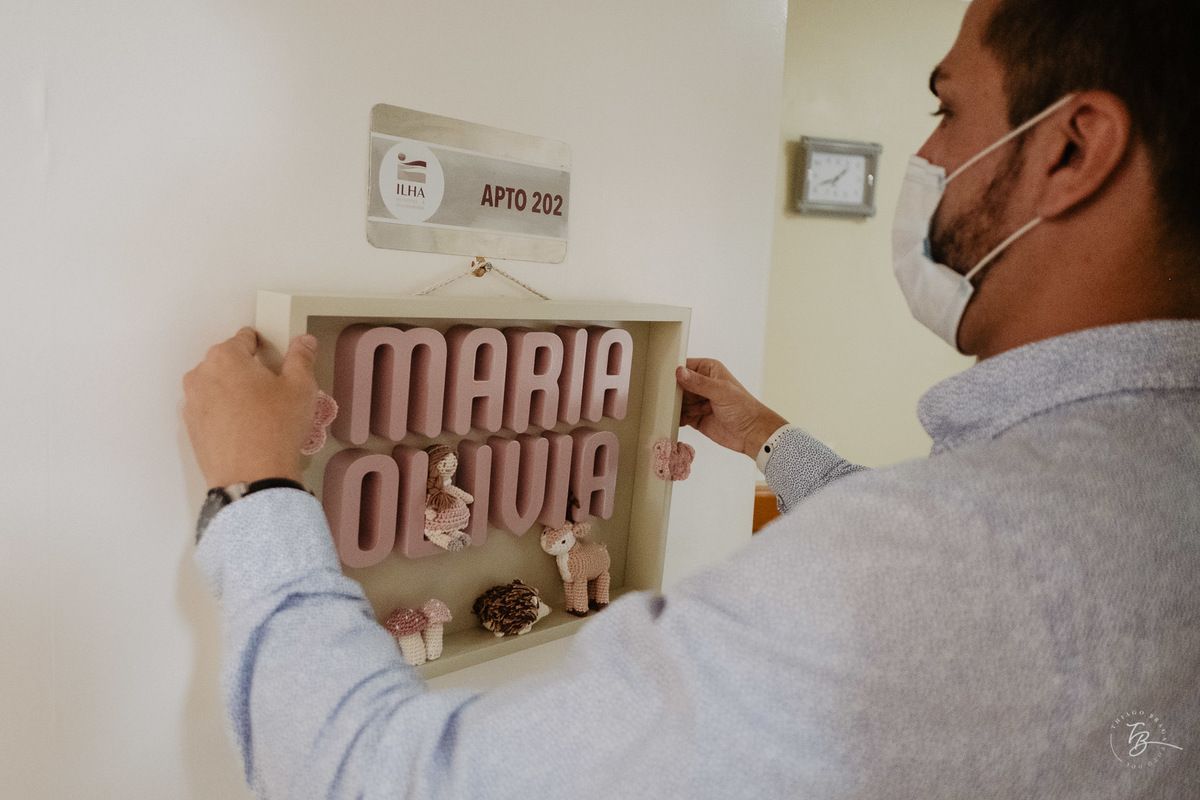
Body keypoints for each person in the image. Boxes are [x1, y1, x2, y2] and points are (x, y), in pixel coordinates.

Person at [183, 0, 1200, 797]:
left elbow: (379, 777)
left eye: (947, 110)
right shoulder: (1140, 484)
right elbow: (972, 592)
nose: (928, 158)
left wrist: (258, 492)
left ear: (1073, 149)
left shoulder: (938, 562)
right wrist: (770, 438)